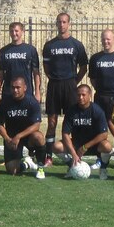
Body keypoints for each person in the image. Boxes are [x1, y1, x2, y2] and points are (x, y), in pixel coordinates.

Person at [42, 12, 88, 166]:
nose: (61, 25)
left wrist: (74, 81)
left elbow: (83, 67)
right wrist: (54, 78)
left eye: (64, 22)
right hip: (54, 85)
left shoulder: (77, 44)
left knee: (72, 121)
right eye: (59, 22)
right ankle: (48, 156)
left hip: (70, 85)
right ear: (56, 24)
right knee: (52, 122)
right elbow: (46, 66)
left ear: (69, 24)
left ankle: (73, 154)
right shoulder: (49, 45)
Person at [52, 84, 113, 180]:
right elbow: (65, 134)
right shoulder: (71, 111)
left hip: (93, 145)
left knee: (107, 146)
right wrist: (73, 153)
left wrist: (85, 147)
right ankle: (73, 165)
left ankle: (103, 168)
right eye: (78, 95)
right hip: (77, 144)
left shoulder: (97, 110)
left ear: (90, 95)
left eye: (83, 95)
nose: (80, 97)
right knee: (56, 146)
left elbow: (104, 134)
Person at [0, 77, 47, 179]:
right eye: (13, 88)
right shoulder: (4, 103)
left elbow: (37, 125)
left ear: (25, 88)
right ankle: (27, 164)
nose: (15, 90)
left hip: (28, 137)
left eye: (18, 87)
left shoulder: (32, 102)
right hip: (12, 138)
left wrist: (19, 136)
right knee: (12, 170)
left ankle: (40, 168)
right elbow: (0, 124)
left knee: (39, 137)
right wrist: (7, 138)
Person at [0, 21, 41, 108]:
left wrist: (37, 92)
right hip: (9, 91)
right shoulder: (4, 51)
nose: (14, 33)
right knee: (9, 119)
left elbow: (36, 73)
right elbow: (0, 74)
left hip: (26, 92)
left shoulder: (31, 50)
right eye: (11, 31)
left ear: (22, 32)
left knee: (26, 120)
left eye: (16, 31)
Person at [88, 28, 114, 120]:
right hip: (100, 97)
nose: (106, 41)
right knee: (100, 126)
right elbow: (92, 78)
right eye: (103, 39)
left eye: (108, 39)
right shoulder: (95, 58)